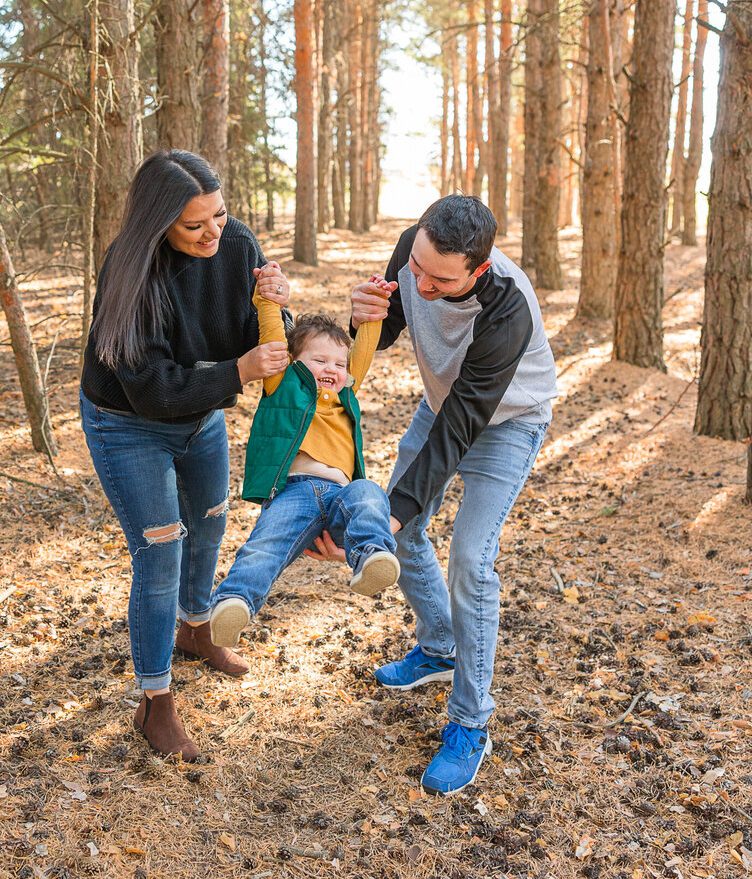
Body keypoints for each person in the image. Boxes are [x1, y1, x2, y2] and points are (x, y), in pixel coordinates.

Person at [79, 150, 290, 762]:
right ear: (159, 224)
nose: (213, 233)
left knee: (209, 523)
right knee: (161, 549)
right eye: (195, 225)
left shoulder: (236, 244)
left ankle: (195, 629)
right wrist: (238, 371)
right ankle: (155, 701)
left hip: (200, 415)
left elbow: (265, 341)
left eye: (219, 216)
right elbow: (151, 388)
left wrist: (278, 304)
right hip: (129, 423)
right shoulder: (130, 266)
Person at [345, 194, 557, 795]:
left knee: (470, 559)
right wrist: (363, 315)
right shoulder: (418, 249)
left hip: (507, 422)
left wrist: (390, 510)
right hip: (442, 406)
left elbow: (464, 421)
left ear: (477, 270)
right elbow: (382, 333)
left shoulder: (507, 306)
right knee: (406, 530)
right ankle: (439, 647)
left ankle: (470, 722)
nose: (421, 282)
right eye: (417, 268)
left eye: (439, 279)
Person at [209, 269, 400, 648]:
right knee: (265, 546)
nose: (331, 369)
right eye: (319, 360)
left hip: (344, 497)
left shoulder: (346, 390)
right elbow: (274, 338)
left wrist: (374, 314)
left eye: (337, 364)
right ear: (295, 362)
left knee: (370, 493)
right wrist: (269, 303)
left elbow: (360, 352)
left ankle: (372, 555)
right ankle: (233, 602)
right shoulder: (283, 383)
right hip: (294, 493)